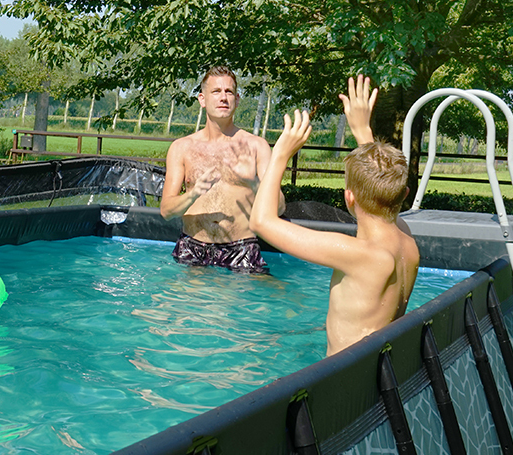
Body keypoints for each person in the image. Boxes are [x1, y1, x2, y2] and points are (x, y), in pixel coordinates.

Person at [250, 75, 420, 357]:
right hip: (377, 375)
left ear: (348, 198)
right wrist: (362, 129)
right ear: (403, 195)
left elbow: (261, 221)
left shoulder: (356, 254)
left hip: (343, 385)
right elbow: (381, 182)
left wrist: (279, 154)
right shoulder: (408, 244)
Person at [160, 66, 282, 274]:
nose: (223, 97)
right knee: (182, 306)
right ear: (202, 99)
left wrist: (255, 183)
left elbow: (279, 207)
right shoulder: (181, 148)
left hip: (242, 250)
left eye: (229, 92)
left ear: (237, 99)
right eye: (216, 91)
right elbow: (166, 211)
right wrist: (193, 194)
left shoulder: (256, 146)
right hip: (192, 249)